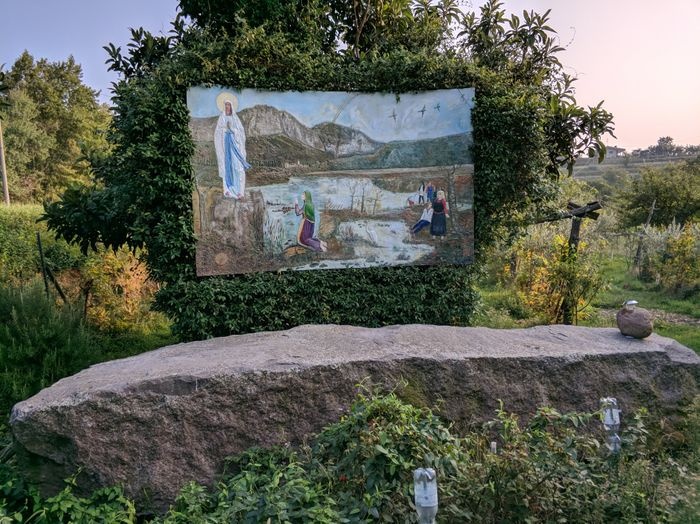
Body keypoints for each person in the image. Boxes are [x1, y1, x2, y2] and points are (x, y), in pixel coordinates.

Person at [214, 95, 250, 199]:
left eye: (229, 105)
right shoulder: (222, 118)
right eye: (225, 105)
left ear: (232, 106)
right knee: (226, 167)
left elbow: (241, 132)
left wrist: (233, 131)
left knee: (237, 167)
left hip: (235, 147)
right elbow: (217, 133)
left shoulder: (235, 118)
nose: (227, 107)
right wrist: (225, 131)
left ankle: (239, 191)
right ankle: (227, 191)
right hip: (225, 147)